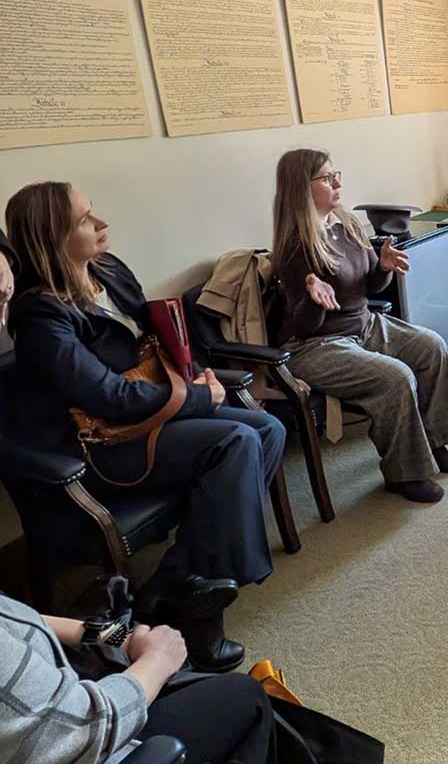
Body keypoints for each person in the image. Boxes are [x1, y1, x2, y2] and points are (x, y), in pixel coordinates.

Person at [4, 182, 286, 673]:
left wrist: (194, 374)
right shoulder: (39, 314)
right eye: (85, 220)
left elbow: (157, 339)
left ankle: (178, 580)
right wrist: (197, 398)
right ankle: (199, 609)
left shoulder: (108, 271)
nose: (102, 223)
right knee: (236, 440)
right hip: (101, 445)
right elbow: (106, 396)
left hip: (149, 414)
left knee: (268, 430)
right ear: (52, 237)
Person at [271, 149, 448, 504]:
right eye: (327, 178)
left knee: (432, 347)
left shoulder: (345, 225)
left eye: (336, 175)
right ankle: (404, 474)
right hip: (316, 345)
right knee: (396, 378)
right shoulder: (295, 246)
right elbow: (304, 325)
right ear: (301, 187)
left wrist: (383, 267)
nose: (337, 183)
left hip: (365, 325)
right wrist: (313, 297)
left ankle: (436, 442)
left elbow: (370, 287)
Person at [0, 590, 274, 763]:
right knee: (245, 697)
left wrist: (116, 636)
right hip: (84, 738)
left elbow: (22, 619)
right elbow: (79, 730)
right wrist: (157, 660)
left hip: (50, 713)